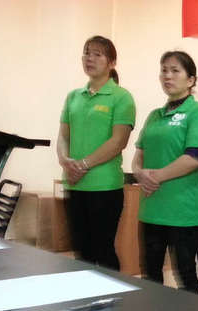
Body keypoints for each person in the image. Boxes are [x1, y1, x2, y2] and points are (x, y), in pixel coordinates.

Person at [132, 51, 198, 292]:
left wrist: (154, 177)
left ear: (191, 80)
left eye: (175, 70)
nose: (168, 76)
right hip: (151, 207)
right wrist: (139, 173)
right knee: (150, 273)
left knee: (185, 274)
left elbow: (194, 158)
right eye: (164, 70)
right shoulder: (154, 116)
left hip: (182, 210)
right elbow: (138, 155)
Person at [57, 35, 135, 270]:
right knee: (81, 252)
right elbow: (63, 136)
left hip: (104, 186)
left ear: (112, 62)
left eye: (97, 54)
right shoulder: (73, 96)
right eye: (86, 53)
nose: (89, 58)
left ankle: (114, 293)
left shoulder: (121, 97)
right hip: (74, 184)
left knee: (103, 250)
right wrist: (65, 161)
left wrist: (83, 165)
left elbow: (118, 141)